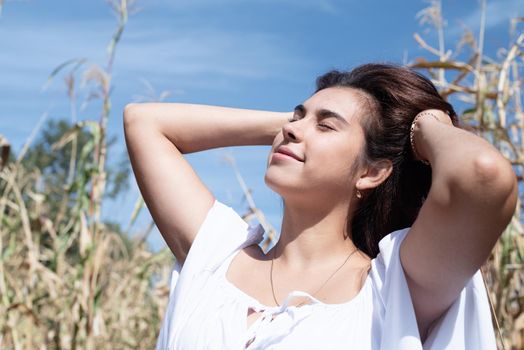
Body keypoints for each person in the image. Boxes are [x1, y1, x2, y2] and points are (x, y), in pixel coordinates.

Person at [123, 63, 517, 349]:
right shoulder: (216, 256)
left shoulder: (395, 285)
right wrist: (299, 127)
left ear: (372, 173)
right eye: (297, 117)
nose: (292, 129)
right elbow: (144, 121)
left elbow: (482, 175)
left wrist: (423, 123)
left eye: (326, 126)